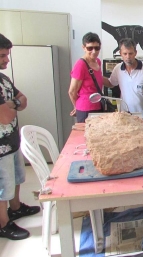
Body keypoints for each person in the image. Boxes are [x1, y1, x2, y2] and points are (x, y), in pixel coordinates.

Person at [0, 33, 40, 240]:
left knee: (16, 177)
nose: (7, 59)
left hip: (12, 141)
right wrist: (12, 106)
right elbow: (6, 116)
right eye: (2, 56)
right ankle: (3, 224)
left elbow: (23, 100)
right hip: (0, 147)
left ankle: (15, 208)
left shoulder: (4, 80)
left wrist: (11, 104)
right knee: (2, 186)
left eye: (7, 55)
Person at [103, 38, 143, 118]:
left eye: (130, 53)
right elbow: (111, 83)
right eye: (125, 53)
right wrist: (96, 76)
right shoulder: (118, 69)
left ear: (135, 53)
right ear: (120, 53)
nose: (128, 57)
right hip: (125, 115)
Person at [69, 32, 112, 122]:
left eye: (97, 48)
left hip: (99, 105)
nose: (94, 51)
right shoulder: (81, 65)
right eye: (90, 48)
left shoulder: (98, 61)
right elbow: (72, 91)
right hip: (86, 109)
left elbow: (98, 78)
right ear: (84, 48)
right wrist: (77, 107)